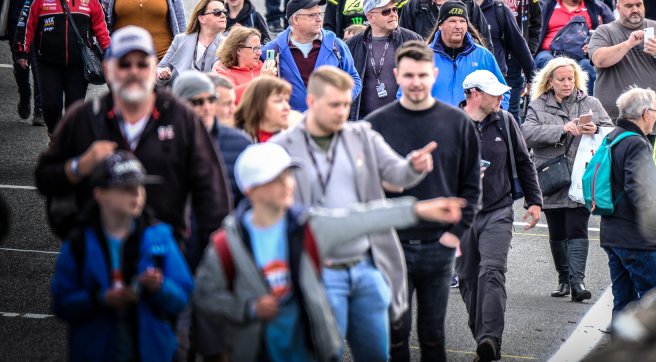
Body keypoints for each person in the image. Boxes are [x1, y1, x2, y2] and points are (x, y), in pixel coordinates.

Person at [192, 141, 465, 362]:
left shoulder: (308, 226)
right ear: (251, 190)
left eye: (288, 175)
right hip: (254, 352)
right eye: (275, 179)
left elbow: (360, 218)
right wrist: (248, 310)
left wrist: (417, 210)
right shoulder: (226, 245)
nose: (288, 184)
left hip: (310, 350)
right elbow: (204, 297)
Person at [271, 65, 434, 360]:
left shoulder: (361, 135)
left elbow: (396, 174)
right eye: (335, 105)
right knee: (325, 353)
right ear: (311, 102)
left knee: (377, 355)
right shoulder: (281, 147)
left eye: (347, 104)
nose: (342, 112)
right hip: (317, 271)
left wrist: (413, 166)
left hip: (365, 266)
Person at [34, 25, 230, 254]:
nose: (134, 72)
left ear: (154, 67)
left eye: (142, 64)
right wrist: (80, 166)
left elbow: (211, 192)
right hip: (96, 254)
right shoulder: (83, 118)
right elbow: (45, 178)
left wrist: (203, 256)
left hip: (165, 254)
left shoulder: (181, 117)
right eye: (125, 64)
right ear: (108, 69)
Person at [364, 40, 481, 362]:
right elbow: (367, 188)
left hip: (437, 245)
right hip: (391, 246)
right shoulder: (376, 124)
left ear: (434, 74)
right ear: (396, 76)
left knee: (433, 336)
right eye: (408, 75)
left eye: (422, 75)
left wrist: (454, 236)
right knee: (394, 335)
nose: (415, 82)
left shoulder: (457, 123)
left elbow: (471, 186)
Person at [51, 151, 193, 362]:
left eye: (140, 186)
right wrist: (98, 299)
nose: (137, 194)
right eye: (126, 188)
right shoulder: (79, 243)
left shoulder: (160, 238)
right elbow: (61, 303)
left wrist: (159, 287)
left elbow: (183, 297)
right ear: (100, 194)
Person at [457, 70, 543, 362]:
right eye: (495, 93)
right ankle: (481, 334)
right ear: (475, 94)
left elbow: (524, 161)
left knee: (492, 272)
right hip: (460, 216)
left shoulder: (505, 121)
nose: (502, 98)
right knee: (468, 279)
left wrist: (534, 202)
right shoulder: (450, 124)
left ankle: (489, 339)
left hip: (498, 210)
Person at [522, 56, 612, 301]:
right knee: (557, 231)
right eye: (561, 79)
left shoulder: (590, 103)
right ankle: (563, 279)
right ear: (550, 81)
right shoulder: (538, 105)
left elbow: (610, 132)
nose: (566, 83)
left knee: (577, 228)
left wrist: (596, 129)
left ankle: (577, 283)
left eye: (570, 78)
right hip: (550, 176)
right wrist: (560, 129)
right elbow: (526, 134)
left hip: (581, 176)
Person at [15, 0, 111, 133]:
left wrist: (109, 53)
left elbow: (102, 26)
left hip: (78, 63)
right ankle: (54, 137)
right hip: (47, 62)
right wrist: (22, 52)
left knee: (75, 108)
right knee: (51, 106)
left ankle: (67, 143)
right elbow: (26, 23)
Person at [599, 86, 656, 311]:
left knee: (623, 302)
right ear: (646, 113)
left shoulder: (613, 136)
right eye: (655, 111)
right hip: (636, 237)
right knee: (653, 303)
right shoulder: (637, 143)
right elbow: (638, 190)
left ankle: (620, 335)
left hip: (612, 233)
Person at [588, 0, 656, 133]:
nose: (635, 10)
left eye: (638, 5)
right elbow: (599, 60)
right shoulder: (604, 31)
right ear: (618, 8)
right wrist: (628, 44)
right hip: (614, 122)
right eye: (629, 6)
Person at [262, 0, 362, 111]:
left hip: (328, 119)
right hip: (288, 119)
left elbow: (354, 79)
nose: (319, 19)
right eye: (312, 15)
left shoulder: (336, 45)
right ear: (295, 19)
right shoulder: (272, 50)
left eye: (320, 14)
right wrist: (263, 79)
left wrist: (340, 100)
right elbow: (251, 82)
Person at [459, 0, 534, 106]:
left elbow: (519, 45)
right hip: (465, 80)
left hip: (496, 80)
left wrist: (531, 77)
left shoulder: (500, 10)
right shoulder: (457, 11)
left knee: (506, 119)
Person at [172, 70, 251, 206]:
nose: (207, 107)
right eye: (197, 102)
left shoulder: (241, 142)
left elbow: (249, 199)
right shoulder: (163, 140)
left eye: (211, 100)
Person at [483, 0, 540, 119]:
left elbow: (536, 18)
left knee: (512, 109)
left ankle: (513, 135)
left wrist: (529, 49)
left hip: (516, 53)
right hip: (491, 51)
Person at [535, 0, 615, 89]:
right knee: (546, 62)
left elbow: (612, 33)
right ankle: (548, 101)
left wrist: (595, 46)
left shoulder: (598, 8)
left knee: (588, 66)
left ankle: (585, 101)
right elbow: (530, 32)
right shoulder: (544, 6)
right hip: (550, 53)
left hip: (584, 55)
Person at [346, 0, 422, 120]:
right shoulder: (352, 45)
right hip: (364, 121)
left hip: (403, 119)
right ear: (370, 17)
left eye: (394, 9)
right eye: (386, 11)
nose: (393, 14)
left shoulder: (413, 40)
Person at [0, 0, 46, 126]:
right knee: (20, 67)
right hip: (16, 26)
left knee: (38, 67)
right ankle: (24, 94)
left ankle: (39, 111)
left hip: (40, 25)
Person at [424, 0, 508, 108]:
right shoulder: (423, 57)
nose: (458, 26)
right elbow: (406, 93)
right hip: (435, 118)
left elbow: (503, 93)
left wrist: (492, 115)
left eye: (462, 21)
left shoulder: (483, 56)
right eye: (452, 21)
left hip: (472, 119)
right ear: (440, 25)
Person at [155, 0, 227, 86]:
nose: (223, 15)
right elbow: (160, 69)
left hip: (209, 93)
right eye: (217, 12)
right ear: (201, 18)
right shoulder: (180, 40)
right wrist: (163, 74)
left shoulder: (227, 45)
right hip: (179, 92)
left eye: (225, 12)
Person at [212, 25, 278, 104]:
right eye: (255, 48)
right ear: (239, 50)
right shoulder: (223, 72)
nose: (260, 53)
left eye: (259, 48)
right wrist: (261, 80)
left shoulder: (264, 68)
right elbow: (231, 96)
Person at [233, 75, 294, 143]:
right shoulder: (235, 140)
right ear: (258, 103)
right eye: (278, 101)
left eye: (287, 101)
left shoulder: (292, 138)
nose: (287, 107)